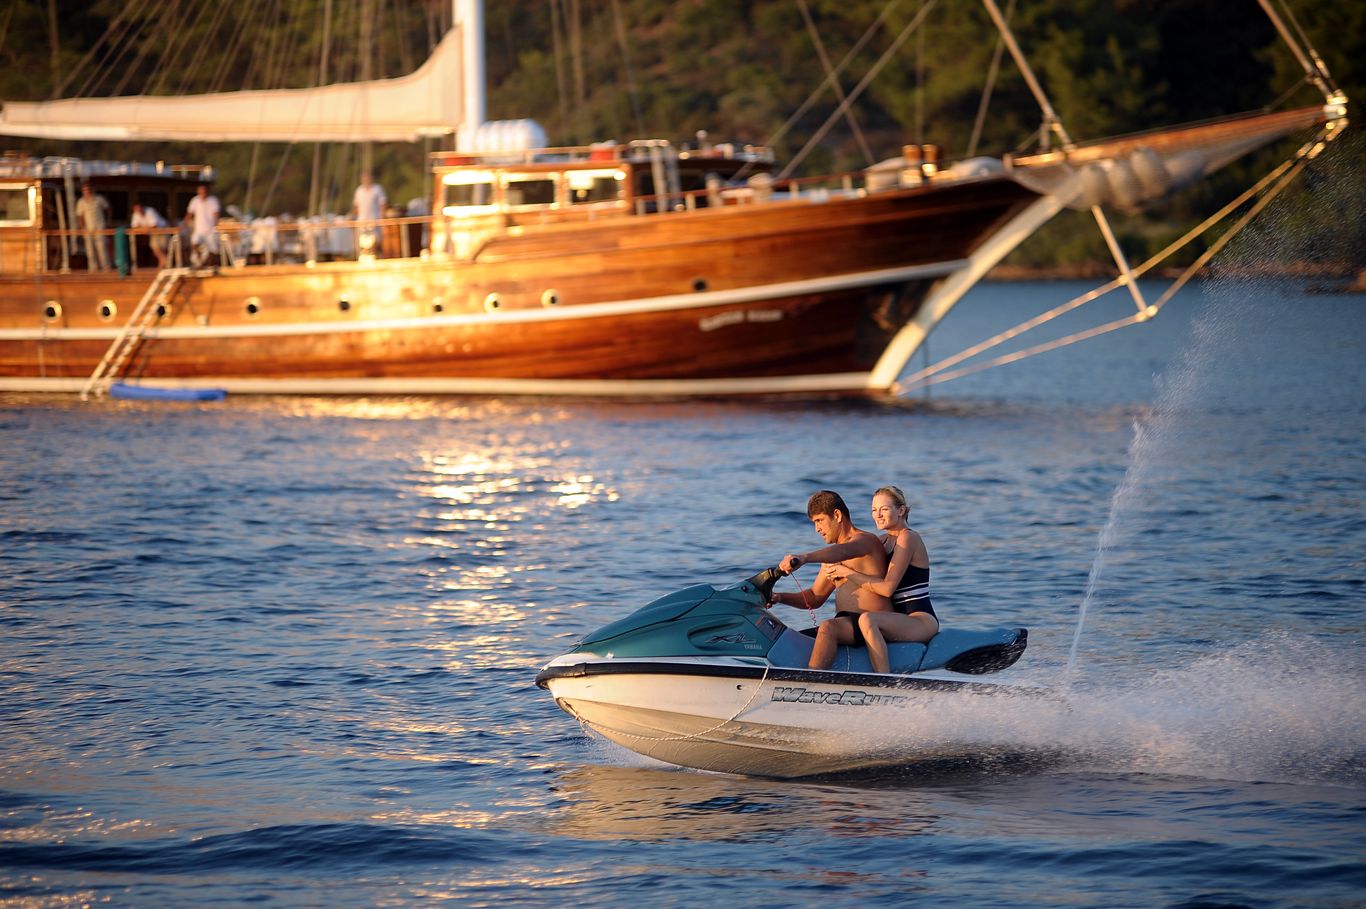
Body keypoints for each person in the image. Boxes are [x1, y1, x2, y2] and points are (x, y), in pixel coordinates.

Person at [766, 490, 888, 670]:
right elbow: (815, 597)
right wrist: (779, 597)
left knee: (828, 627)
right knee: (792, 640)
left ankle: (811, 681)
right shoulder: (831, 557)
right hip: (848, 625)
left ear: (837, 515)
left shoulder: (865, 541)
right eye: (814, 523)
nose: (817, 529)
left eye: (819, 520)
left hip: (874, 623)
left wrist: (804, 558)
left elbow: (845, 551)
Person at [826, 486, 940, 673]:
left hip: (920, 620)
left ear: (901, 511)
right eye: (874, 510)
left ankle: (883, 679)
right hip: (896, 618)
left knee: (868, 620)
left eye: (884, 509)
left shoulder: (908, 537)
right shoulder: (881, 542)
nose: (877, 515)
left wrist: (846, 572)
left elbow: (887, 589)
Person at [75, 183, 111, 271]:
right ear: (82, 191)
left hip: (99, 227)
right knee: (90, 250)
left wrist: (108, 222)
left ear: (92, 189)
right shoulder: (81, 202)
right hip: (87, 228)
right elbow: (79, 216)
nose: (87, 191)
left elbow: (108, 209)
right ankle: (93, 268)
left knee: (101, 248)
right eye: (85, 190)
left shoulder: (99, 199)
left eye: (88, 189)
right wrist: (81, 227)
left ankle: (105, 267)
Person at [351, 171, 387, 256]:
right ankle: (363, 256)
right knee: (363, 243)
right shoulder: (359, 190)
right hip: (362, 221)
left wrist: (383, 217)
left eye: (367, 177)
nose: (366, 179)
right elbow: (356, 206)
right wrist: (352, 216)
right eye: (364, 178)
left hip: (375, 220)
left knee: (376, 241)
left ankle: (378, 256)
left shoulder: (377, 189)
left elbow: (383, 204)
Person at [184, 184, 221, 266]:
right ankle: (199, 262)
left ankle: (211, 265)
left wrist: (217, 226)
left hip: (210, 229)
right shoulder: (195, 200)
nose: (202, 193)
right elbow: (190, 214)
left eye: (204, 191)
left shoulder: (213, 200)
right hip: (199, 230)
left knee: (213, 249)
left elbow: (216, 214)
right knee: (194, 243)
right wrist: (183, 225)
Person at [130, 202, 170, 267]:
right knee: (155, 249)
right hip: (154, 233)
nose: (138, 210)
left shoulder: (150, 211)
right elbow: (134, 228)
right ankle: (165, 263)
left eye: (139, 208)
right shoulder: (135, 214)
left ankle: (165, 264)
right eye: (136, 209)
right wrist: (144, 229)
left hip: (162, 230)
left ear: (142, 207)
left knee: (160, 249)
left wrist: (142, 229)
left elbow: (154, 226)